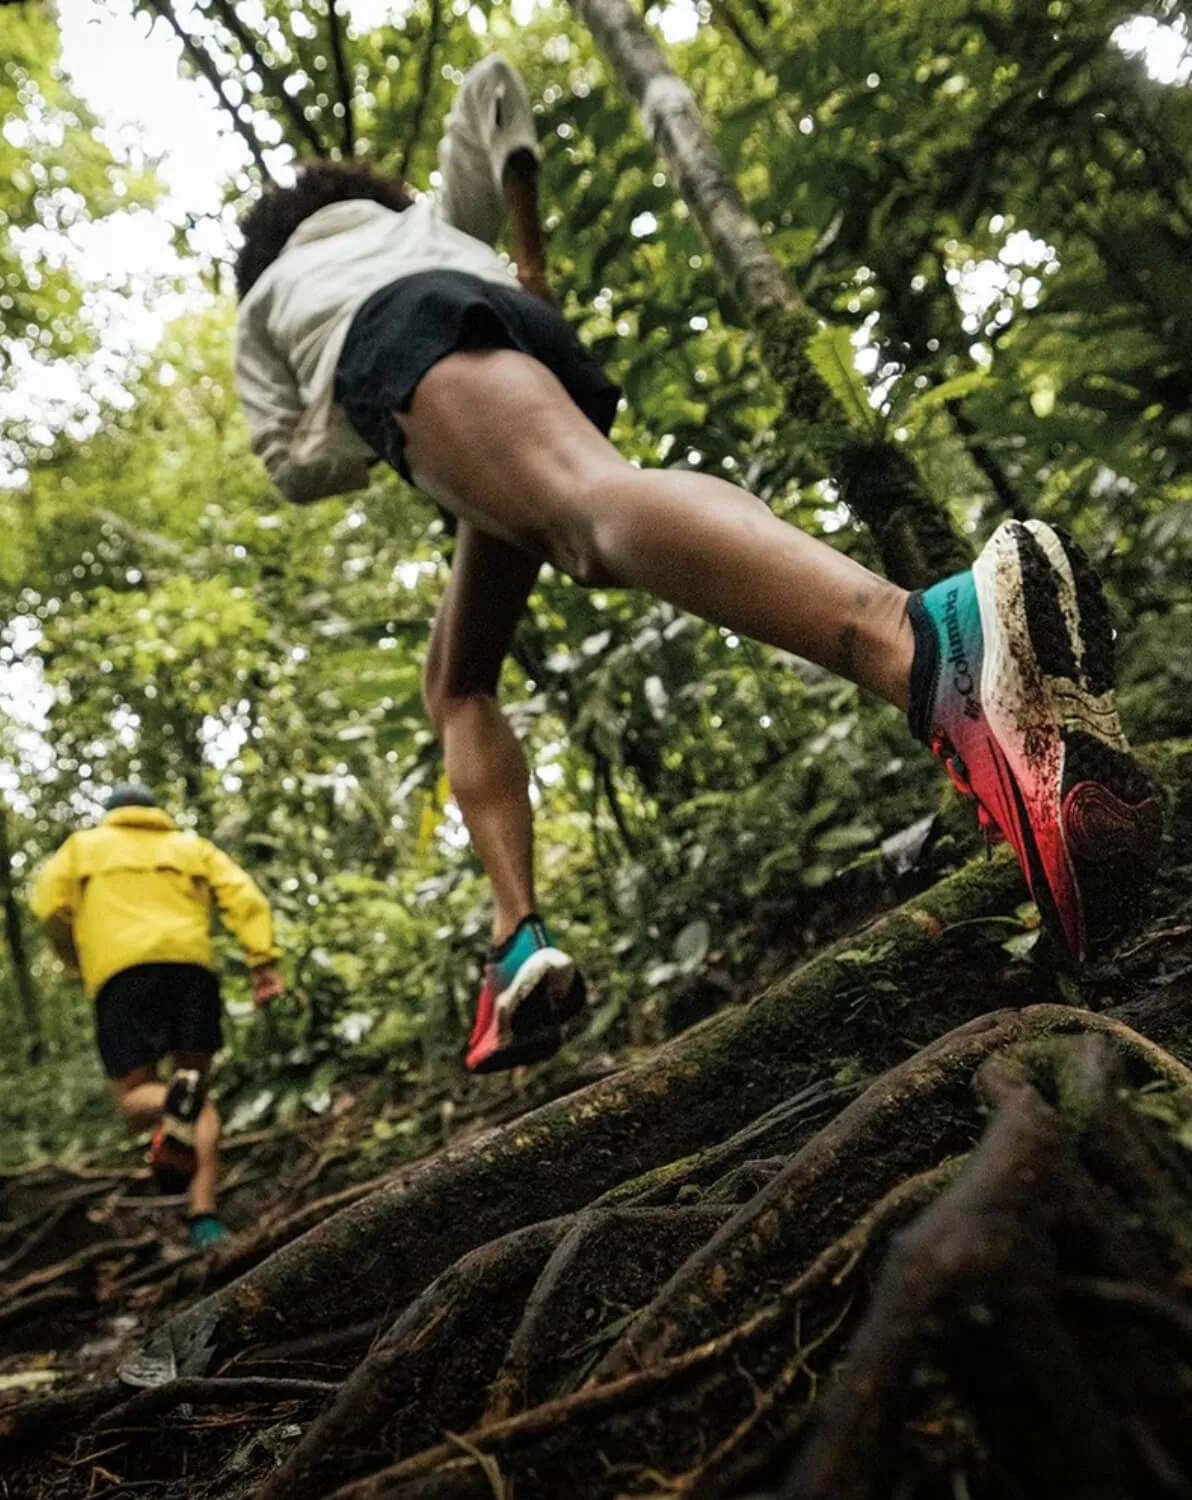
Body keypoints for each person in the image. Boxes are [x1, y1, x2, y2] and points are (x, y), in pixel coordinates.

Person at [233, 54, 1162, 1074]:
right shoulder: (421, 223)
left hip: (406, 353)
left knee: (588, 516)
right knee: (458, 681)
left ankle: (928, 643)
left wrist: (352, 431)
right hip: (510, 331)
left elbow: (294, 466)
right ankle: (517, 943)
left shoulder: (271, 292)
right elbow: (494, 88)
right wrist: (529, 269)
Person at [30, 784, 283, 1246]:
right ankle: (204, 1216)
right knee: (195, 1095)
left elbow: (48, 905)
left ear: (111, 814)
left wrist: (78, 958)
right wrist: (262, 961)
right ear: (154, 812)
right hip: (192, 973)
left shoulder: (83, 848)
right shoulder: (189, 846)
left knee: (136, 1100)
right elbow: (243, 895)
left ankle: (174, 1113)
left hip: (123, 975)